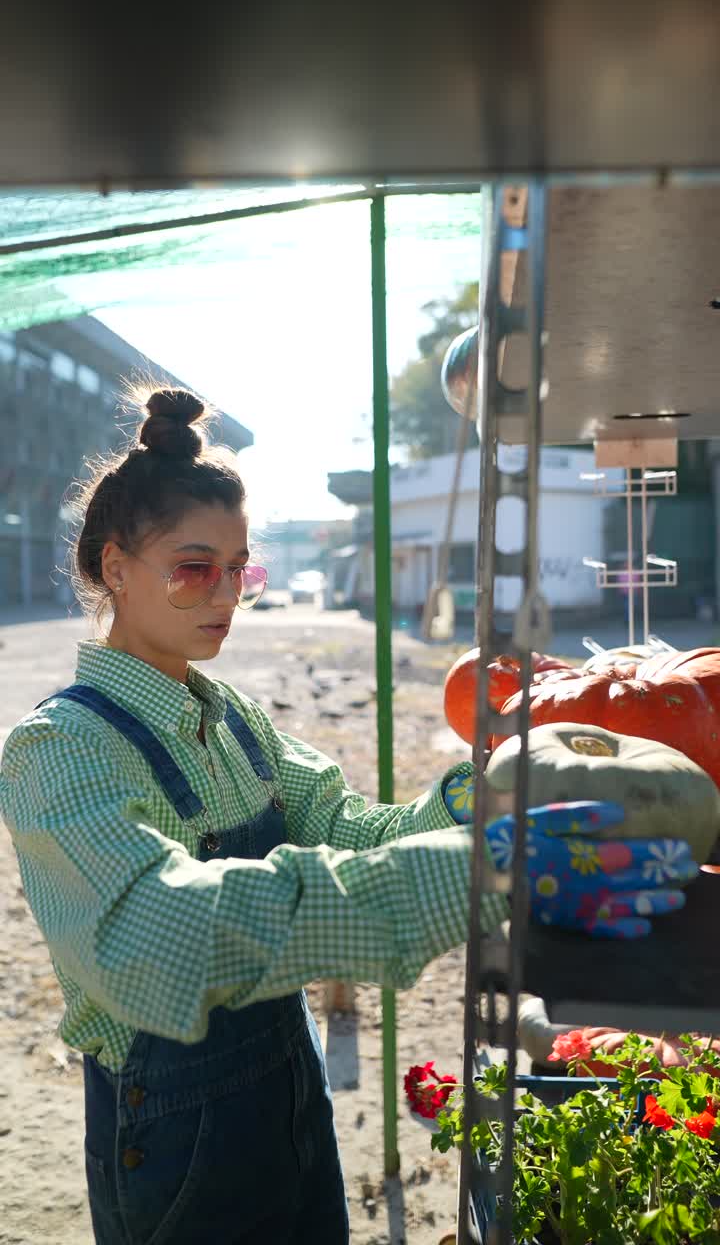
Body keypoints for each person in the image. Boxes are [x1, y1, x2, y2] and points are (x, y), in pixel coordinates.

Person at [0, 386, 695, 1245]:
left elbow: (353, 830)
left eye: (240, 569)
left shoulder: (235, 721)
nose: (224, 594)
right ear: (114, 568)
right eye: (192, 567)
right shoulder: (60, 750)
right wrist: (474, 873)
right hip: (178, 1151)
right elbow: (160, 936)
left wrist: (482, 801)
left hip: (290, 1107)